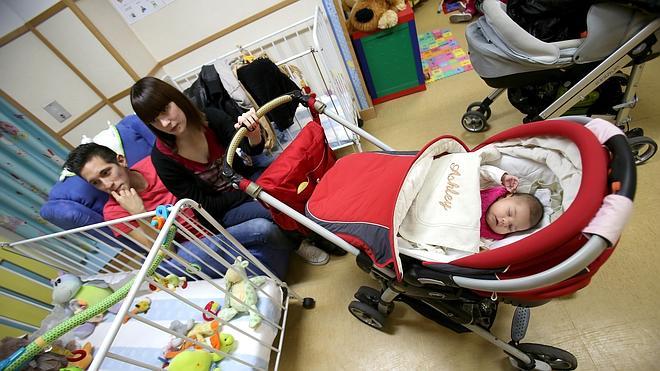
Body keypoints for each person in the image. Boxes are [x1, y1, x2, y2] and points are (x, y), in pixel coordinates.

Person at [129, 76, 330, 265]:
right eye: (155, 120)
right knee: (271, 206)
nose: (165, 123)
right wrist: (250, 193)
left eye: (165, 110)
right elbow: (205, 206)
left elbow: (252, 152)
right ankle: (300, 243)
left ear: (176, 99)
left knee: (289, 182)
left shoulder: (211, 118)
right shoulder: (163, 159)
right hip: (224, 209)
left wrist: (254, 134)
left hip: (247, 180)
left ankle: (322, 229)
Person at [63, 143, 292, 279]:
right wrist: (139, 213)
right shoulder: (114, 212)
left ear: (121, 160)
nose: (107, 185)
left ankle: (297, 242)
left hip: (214, 216)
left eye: (106, 173)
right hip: (193, 245)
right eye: (96, 183)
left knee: (269, 208)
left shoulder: (155, 164)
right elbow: (167, 250)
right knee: (261, 228)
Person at [479, 165, 544, 240]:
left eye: (510, 227)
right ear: (507, 196)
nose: (505, 222)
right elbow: (481, 172)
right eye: (509, 213)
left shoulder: (489, 239)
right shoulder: (488, 188)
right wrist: (502, 177)